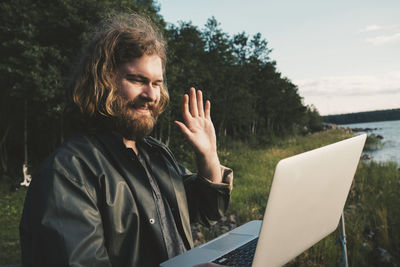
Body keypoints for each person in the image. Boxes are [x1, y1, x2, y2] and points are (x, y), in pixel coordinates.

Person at [19, 13, 233, 267]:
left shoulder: (156, 154)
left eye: (157, 83)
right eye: (137, 80)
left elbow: (205, 211)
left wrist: (209, 156)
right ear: (103, 80)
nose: (151, 95)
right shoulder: (68, 174)